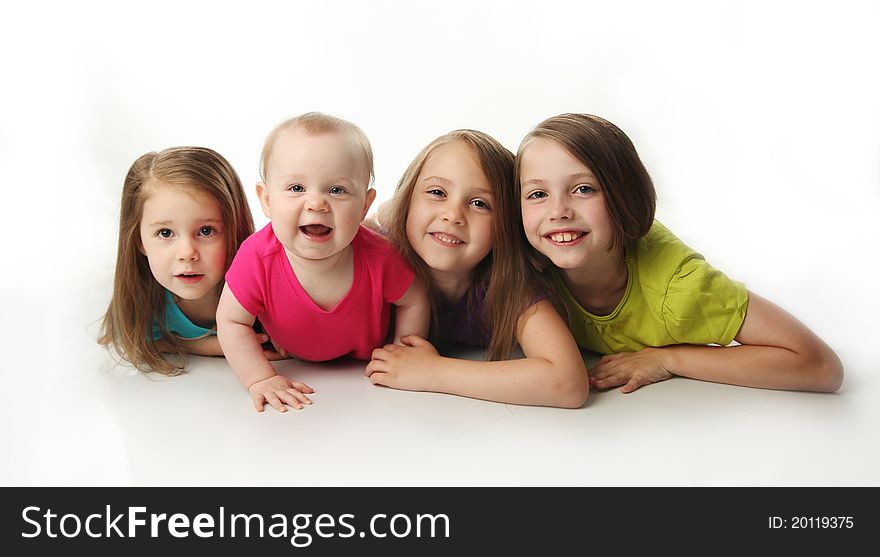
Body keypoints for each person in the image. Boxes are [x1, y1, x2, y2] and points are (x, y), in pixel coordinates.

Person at [516, 113, 843, 393]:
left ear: (623, 196)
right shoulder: (522, 264)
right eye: (538, 193)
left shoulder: (679, 288)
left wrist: (670, 358)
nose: (558, 211)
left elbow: (820, 366)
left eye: (583, 189)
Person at [217, 112, 430, 413]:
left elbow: (414, 298)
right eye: (296, 188)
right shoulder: (256, 258)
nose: (316, 203)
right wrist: (259, 379)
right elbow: (230, 321)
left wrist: (403, 351)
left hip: (363, 388)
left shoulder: (380, 257)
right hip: (297, 367)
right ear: (266, 200)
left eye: (337, 190)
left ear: (364, 205)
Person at [365, 130, 589, 408]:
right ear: (408, 199)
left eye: (480, 204)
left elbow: (568, 383)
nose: (453, 215)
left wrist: (434, 371)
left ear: (507, 224)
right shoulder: (376, 256)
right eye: (437, 192)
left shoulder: (507, 285)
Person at [99, 146, 281, 374]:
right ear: (139, 241)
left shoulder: (268, 283)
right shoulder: (143, 298)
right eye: (165, 233)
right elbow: (135, 340)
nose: (187, 253)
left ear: (235, 229)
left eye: (206, 231)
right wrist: (216, 346)